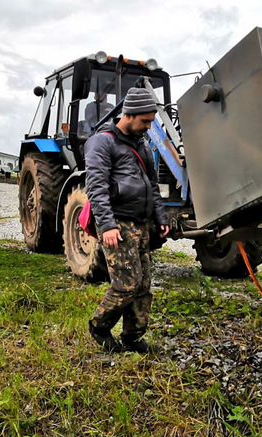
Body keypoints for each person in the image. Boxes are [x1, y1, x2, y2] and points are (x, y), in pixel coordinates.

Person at [84, 87, 170, 353]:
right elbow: (96, 187)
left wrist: (161, 216)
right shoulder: (103, 142)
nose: (148, 126)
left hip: (141, 224)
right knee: (127, 285)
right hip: (118, 224)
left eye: (151, 121)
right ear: (129, 115)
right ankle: (99, 326)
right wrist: (107, 225)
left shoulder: (141, 144)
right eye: (145, 121)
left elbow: (152, 185)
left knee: (143, 285)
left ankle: (132, 336)